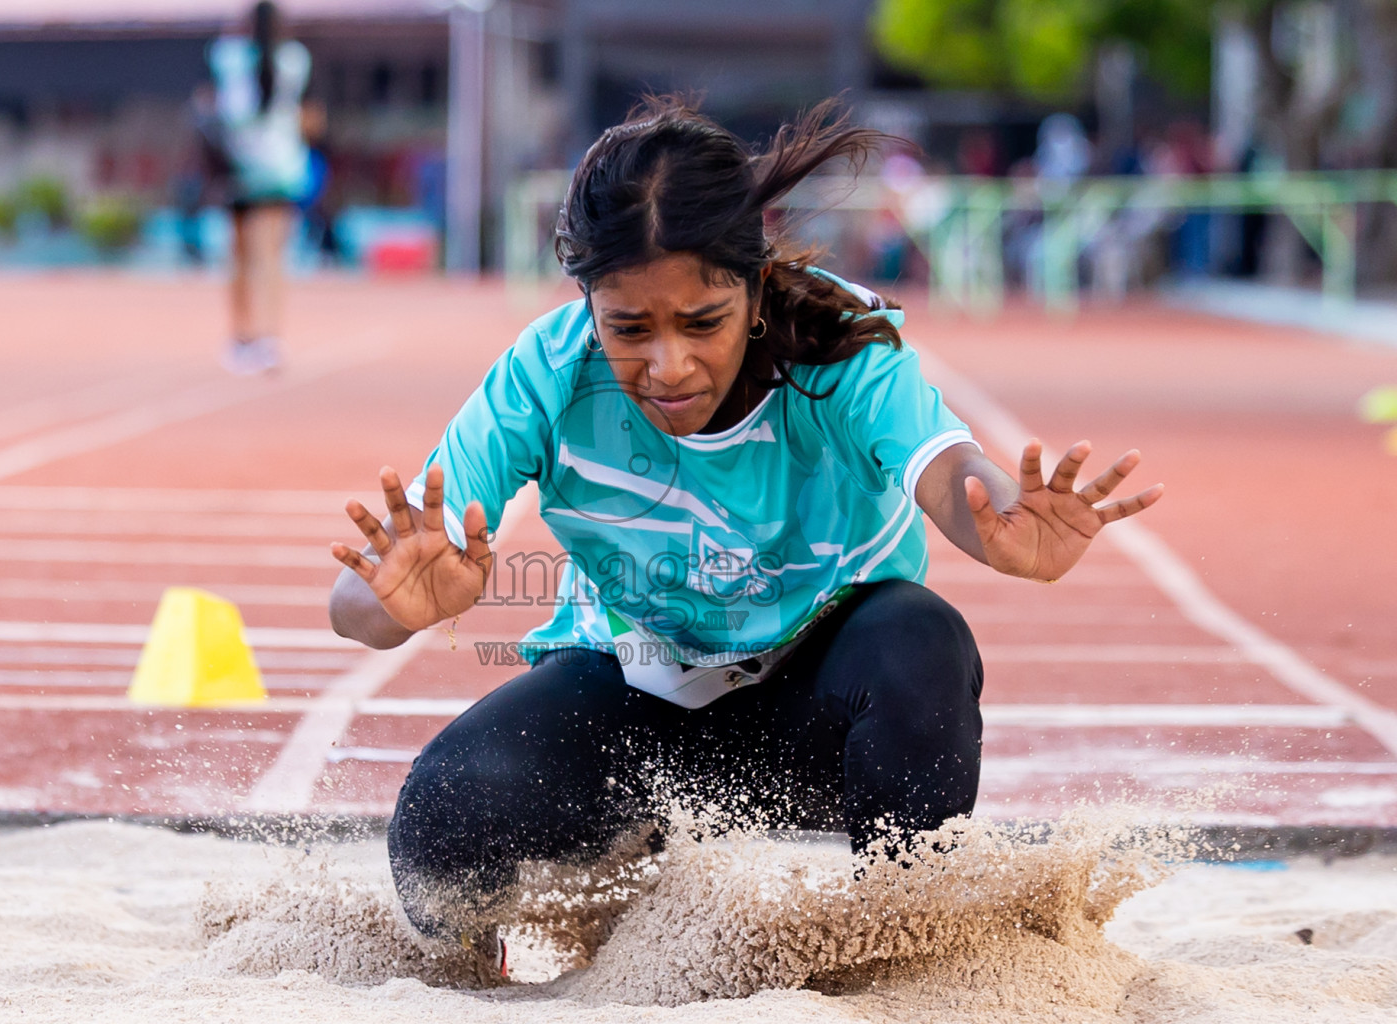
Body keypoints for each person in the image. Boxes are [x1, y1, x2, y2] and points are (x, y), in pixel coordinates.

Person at [327, 98, 1163, 956]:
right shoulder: (544, 374)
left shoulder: (838, 345)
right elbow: (355, 603)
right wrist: (394, 603)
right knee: (442, 820)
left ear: (756, 287)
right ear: (588, 303)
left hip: (819, 710)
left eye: (702, 323)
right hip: (634, 695)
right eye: (629, 329)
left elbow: (948, 468)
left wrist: (1000, 521)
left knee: (921, 640)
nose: (669, 366)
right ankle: (531, 940)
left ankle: (909, 949)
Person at [209, 1, 311, 374]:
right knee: (269, 258)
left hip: (236, 167)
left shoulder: (227, 56)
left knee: (238, 258)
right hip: (280, 168)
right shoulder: (294, 59)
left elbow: (220, 107)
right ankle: (269, 338)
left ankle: (241, 338)